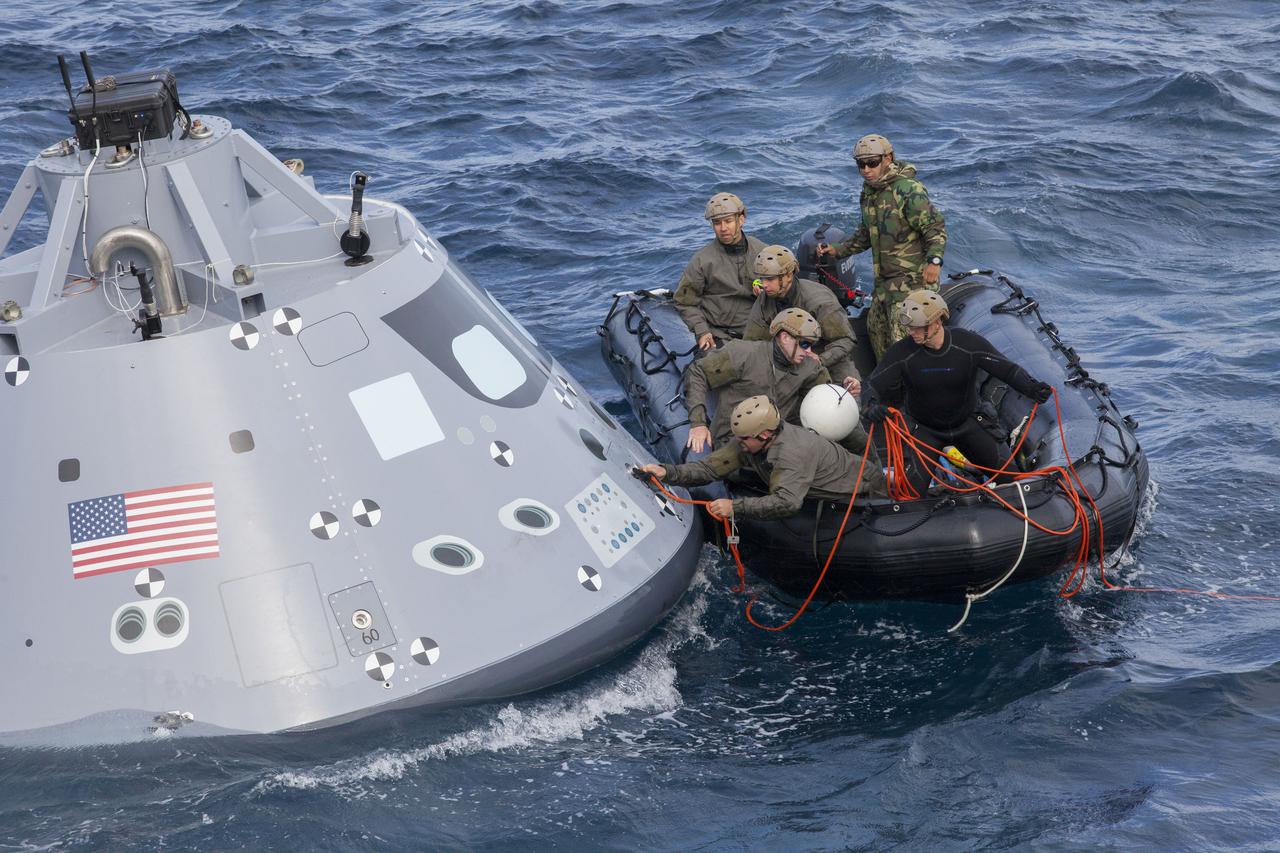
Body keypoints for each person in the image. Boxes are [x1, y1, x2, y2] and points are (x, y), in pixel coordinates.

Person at [861, 290, 1053, 491]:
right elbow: (872, 384)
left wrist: (1032, 388)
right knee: (910, 493)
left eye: (917, 327)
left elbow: (1007, 369)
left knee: (1013, 483)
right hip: (925, 430)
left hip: (968, 423)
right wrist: (870, 406)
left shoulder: (967, 344)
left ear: (936, 322)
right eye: (910, 327)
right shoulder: (902, 352)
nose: (911, 332)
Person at [639, 395, 884, 521]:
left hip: (863, 488)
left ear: (765, 434)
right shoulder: (751, 441)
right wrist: (668, 472)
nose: (739, 444)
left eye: (744, 438)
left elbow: (787, 503)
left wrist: (735, 508)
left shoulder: (792, 455)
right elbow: (710, 469)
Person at [816, 134, 947, 360]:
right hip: (884, 288)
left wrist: (934, 261)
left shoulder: (908, 190)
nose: (866, 169)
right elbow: (866, 234)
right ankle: (889, 393)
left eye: (872, 163)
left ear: (888, 158)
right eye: (861, 164)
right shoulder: (869, 194)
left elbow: (934, 228)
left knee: (907, 348)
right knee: (876, 334)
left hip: (911, 287)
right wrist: (837, 250)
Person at [683, 307, 859, 452]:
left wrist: (843, 391)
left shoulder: (810, 367)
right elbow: (698, 372)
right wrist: (698, 423)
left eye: (811, 345)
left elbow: (824, 396)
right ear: (785, 337)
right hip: (736, 440)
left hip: (774, 440)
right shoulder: (744, 354)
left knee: (855, 438)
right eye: (805, 344)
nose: (809, 351)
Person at [741, 245, 860, 384]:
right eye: (762, 279)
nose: (764, 285)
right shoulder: (764, 300)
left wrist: (821, 359)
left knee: (848, 395)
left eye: (770, 279)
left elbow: (846, 339)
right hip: (787, 358)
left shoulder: (819, 301)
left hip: (826, 356)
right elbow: (751, 342)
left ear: (789, 275)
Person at [674, 192, 767, 351]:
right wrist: (702, 331)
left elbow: (785, 288)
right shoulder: (701, 261)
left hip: (758, 331)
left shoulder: (763, 252)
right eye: (717, 223)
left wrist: (768, 293)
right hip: (720, 335)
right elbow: (685, 302)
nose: (723, 228)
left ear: (741, 219)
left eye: (728, 221)